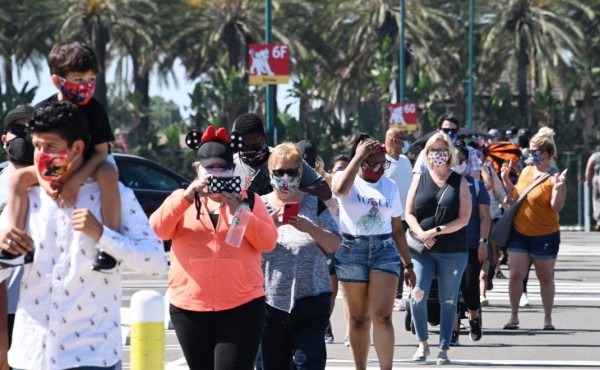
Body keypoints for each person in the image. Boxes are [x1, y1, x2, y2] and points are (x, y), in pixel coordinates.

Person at [0, 100, 168, 370]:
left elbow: (156, 263)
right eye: (37, 146)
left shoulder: (113, 195)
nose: (41, 155)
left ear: (77, 148)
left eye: (51, 147)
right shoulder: (26, 198)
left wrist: (103, 235)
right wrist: (3, 250)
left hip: (92, 357)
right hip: (31, 355)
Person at [149, 125, 277, 370]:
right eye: (210, 169)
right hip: (190, 307)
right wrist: (186, 197)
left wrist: (240, 211)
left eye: (223, 169)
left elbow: (267, 242)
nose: (217, 175)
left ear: (232, 170)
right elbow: (157, 231)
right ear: (198, 169)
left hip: (242, 306)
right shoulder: (181, 198)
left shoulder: (249, 199)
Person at [3, 41, 120, 273]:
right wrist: (47, 185)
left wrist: (76, 181)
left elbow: (100, 153)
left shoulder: (95, 110)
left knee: (109, 172)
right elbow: (37, 152)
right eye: (79, 80)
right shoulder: (43, 110)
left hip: (87, 164)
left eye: (91, 79)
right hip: (51, 167)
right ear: (58, 80)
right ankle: (16, 249)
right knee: (17, 179)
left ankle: (110, 246)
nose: (86, 85)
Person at [332, 133, 416, 370]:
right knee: (358, 318)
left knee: (382, 315)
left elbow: (397, 228)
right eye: (373, 163)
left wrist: (408, 264)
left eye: (383, 164)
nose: (379, 169)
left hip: (384, 250)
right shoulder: (344, 177)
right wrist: (358, 157)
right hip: (352, 250)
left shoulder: (389, 186)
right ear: (361, 161)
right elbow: (339, 190)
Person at [260, 142, 341, 370]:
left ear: (301, 172)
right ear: (270, 173)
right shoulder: (259, 206)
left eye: (291, 172)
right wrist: (269, 225)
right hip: (269, 303)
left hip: (311, 300)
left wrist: (310, 228)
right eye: (279, 172)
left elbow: (335, 244)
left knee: (309, 365)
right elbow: (241, 245)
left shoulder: (315, 205)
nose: (285, 178)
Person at [404, 132, 471, 365]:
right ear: (427, 154)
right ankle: (422, 344)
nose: (438, 155)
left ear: (449, 153)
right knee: (417, 293)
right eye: (433, 151)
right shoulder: (419, 178)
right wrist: (422, 234)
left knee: (449, 299)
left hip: (452, 250)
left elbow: (464, 218)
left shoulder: (459, 181)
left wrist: (437, 230)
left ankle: (444, 347)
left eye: (442, 151)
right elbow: (409, 213)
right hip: (421, 250)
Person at [501, 127, 567, 331]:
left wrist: (558, 188)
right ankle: (513, 316)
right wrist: (505, 181)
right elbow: (517, 196)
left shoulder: (555, 176)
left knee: (545, 276)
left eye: (532, 151)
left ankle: (547, 318)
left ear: (545, 154)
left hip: (545, 234)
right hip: (519, 232)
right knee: (515, 275)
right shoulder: (527, 171)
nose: (528, 154)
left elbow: (556, 207)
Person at [0, 106, 35, 356]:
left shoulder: (57, 186)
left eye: (31, 129)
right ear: (5, 140)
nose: (24, 136)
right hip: (6, 311)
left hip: (39, 311)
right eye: (17, 129)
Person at [232, 113, 331, 201]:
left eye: (255, 146)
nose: (250, 151)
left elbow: (325, 191)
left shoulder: (285, 159)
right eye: (244, 147)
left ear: (265, 138)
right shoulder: (230, 166)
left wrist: (288, 193)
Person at [453, 144, 490, 344]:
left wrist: (483, 242)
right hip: (447, 246)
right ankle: (453, 331)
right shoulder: (440, 183)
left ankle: (474, 318)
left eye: (460, 160)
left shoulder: (476, 185)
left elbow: (485, 217)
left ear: (467, 162)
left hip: (471, 245)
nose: (456, 164)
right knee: (449, 289)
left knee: (469, 288)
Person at [383, 127, 413, 311]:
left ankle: (398, 296)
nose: (406, 141)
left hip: (404, 218)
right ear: (394, 140)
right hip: (385, 219)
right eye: (403, 138)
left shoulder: (405, 160)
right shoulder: (381, 162)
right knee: (388, 257)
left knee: (402, 257)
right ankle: (386, 294)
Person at [413, 114, 481, 179]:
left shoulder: (469, 151)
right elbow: (417, 177)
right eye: (446, 130)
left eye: (453, 130)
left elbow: (475, 180)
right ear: (438, 131)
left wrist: (460, 162)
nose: (449, 133)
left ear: (458, 132)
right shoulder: (426, 152)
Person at [585, 150, 600, 231]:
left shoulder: (595, 156)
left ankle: (598, 220)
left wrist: (588, 181)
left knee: (596, 199)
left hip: (597, 178)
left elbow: (588, 169)